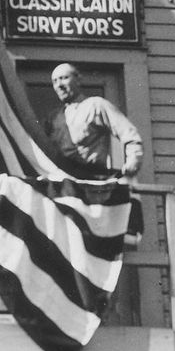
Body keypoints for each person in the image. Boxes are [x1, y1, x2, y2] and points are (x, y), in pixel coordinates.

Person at [44, 62, 144, 239]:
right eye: (55, 81)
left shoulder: (96, 106)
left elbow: (130, 134)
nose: (59, 85)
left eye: (64, 78)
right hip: (64, 186)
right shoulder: (53, 117)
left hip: (91, 182)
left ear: (78, 79)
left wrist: (132, 162)